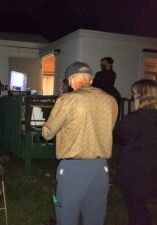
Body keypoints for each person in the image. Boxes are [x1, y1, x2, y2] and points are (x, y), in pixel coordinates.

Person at [42, 61, 118, 225]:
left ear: (70, 80)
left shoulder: (67, 100)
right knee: (95, 216)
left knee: (65, 213)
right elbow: (106, 129)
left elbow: (47, 133)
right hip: (101, 166)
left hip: (73, 168)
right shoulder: (111, 100)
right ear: (90, 79)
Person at [114, 79, 157, 225]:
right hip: (153, 172)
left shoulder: (133, 119)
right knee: (141, 208)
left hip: (134, 173)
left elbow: (118, 137)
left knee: (136, 210)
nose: (132, 97)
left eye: (134, 94)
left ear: (140, 96)